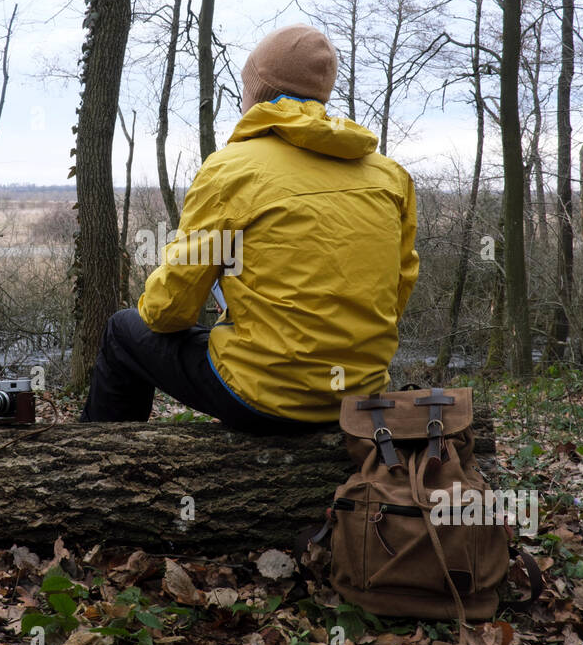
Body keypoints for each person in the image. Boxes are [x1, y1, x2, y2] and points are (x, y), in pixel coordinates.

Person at [79, 23, 419, 433]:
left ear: (258, 92)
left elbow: (171, 310)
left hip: (268, 398)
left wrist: (227, 317)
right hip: (360, 394)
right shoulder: (389, 176)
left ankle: (104, 465)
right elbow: (396, 291)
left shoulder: (232, 169)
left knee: (123, 331)